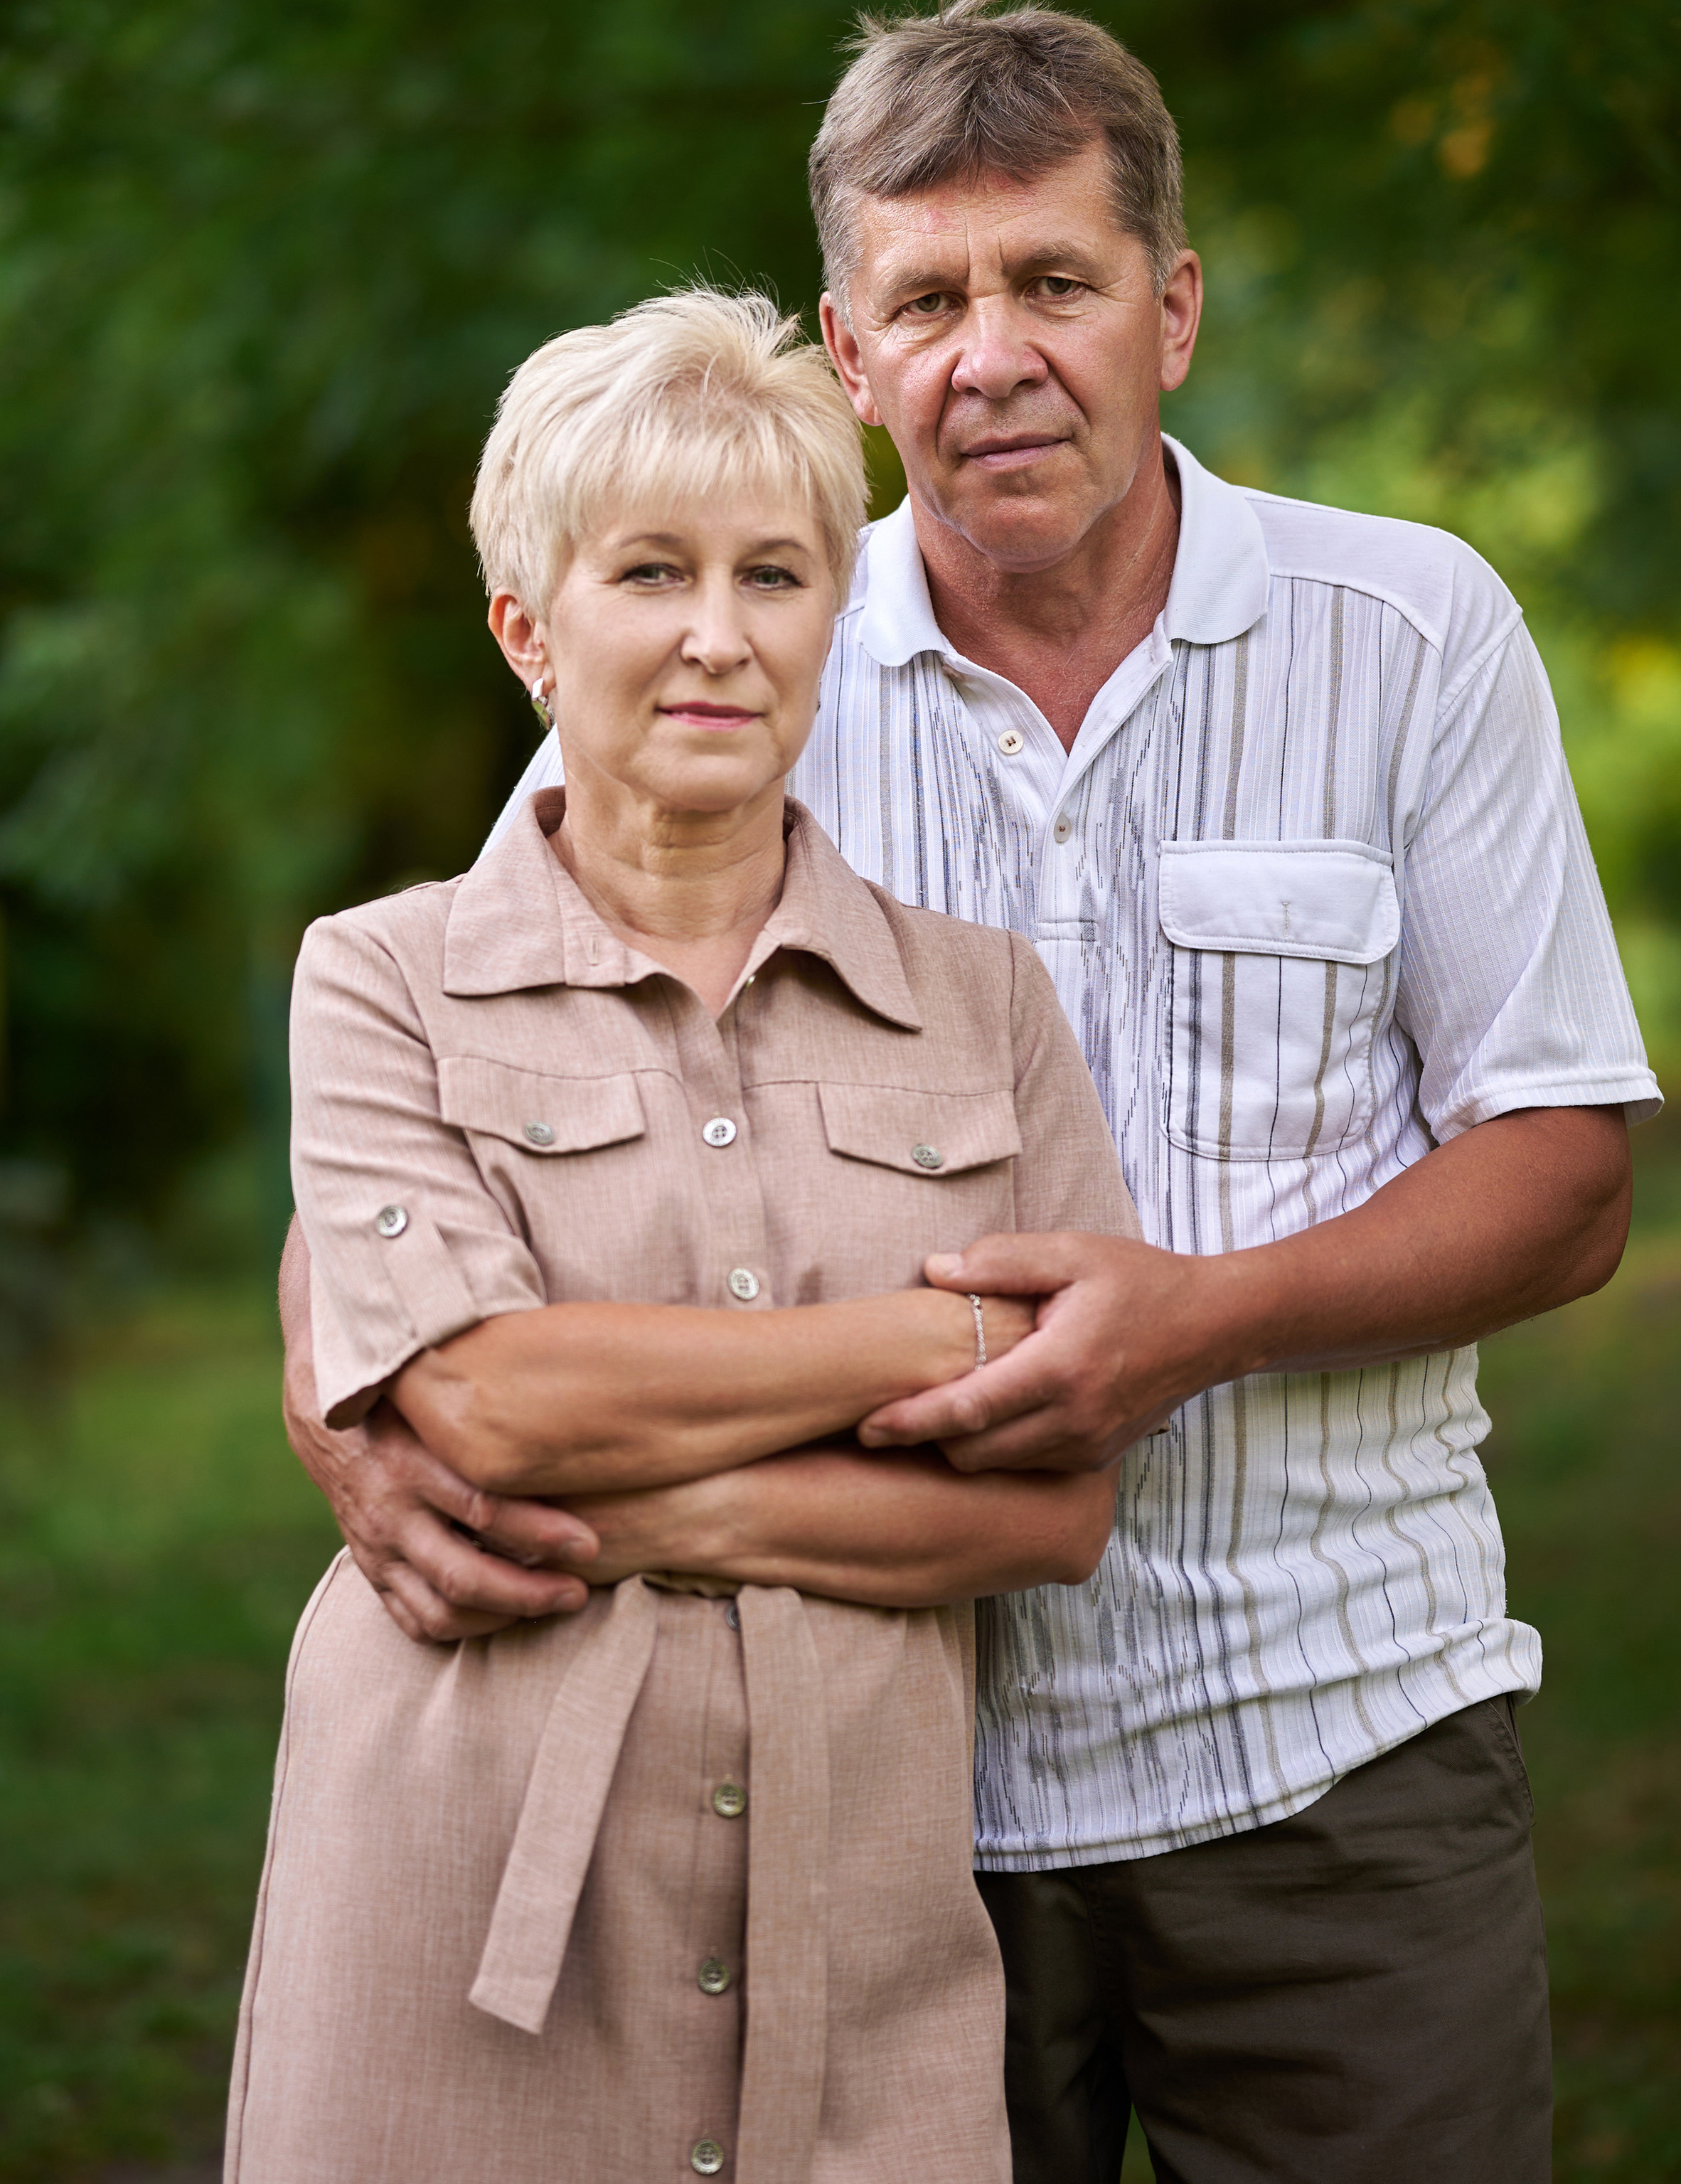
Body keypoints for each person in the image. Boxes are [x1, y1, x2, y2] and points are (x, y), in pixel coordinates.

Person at [282, 0, 1661, 2184]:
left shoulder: (1411, 634)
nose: (991, 352)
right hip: (877, 1790)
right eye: (925, 297)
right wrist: (352, 1395)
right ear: (850, 355)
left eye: (1054, 281)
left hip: (1331, 1748)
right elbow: (435, 1058)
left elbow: (1568, 1174)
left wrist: (1196, 1315)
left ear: (1174, 309)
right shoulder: (735, 658)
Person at [228, 289, 1141, 2184]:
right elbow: (483, 1406)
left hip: (868, 1940)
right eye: (650, 570)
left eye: (778, 573)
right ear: (528, 626)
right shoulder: (381, 979)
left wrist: (664, 1502)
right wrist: (931, 1345)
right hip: (449, 1902)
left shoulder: (990, 1008)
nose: (720, 635)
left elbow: (1055, 1503)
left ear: (833, 619)